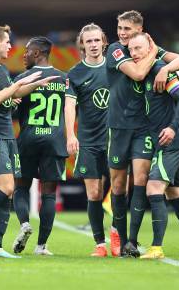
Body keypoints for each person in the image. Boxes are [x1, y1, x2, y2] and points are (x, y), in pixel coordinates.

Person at [105, 10, 179, 257]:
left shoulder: (145, 47)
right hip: (119, 126)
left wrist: (164, 70)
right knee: (118, 185)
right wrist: (155, 54)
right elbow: (139, 74)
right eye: (119, 28)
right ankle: (119, 239)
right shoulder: (116, 50)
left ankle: (131, 241)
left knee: (140, 180)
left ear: (139, 30)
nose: (122, 33)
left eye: (127, 29)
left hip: (143, 127)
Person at [0, 25, 54, 258]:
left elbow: (12, 95)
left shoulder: (2, 70)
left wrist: (36, 85)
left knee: (8, 190)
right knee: (5, 187)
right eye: (7, 42)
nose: (10, 46)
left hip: (7, 133)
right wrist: (15, 86)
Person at [127, 33, 179, 259]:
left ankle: (156, 247)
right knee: (175, 194)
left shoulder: (160, 69)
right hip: (159, 141)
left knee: (153, 189)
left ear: (149, 47)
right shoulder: (141, 73)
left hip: (169, 142)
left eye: (138, 48)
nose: (134, 54)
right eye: (131, 50)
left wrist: (173, 128)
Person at [11, 36, 67, 256]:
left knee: (21, 187)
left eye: (26, 52)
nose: (23, 55)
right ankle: (41, 246)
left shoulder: (24, 78)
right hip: (54, 140)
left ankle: (25, 223)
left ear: (37, 53)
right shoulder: (64, 79)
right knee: (49, 195)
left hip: (28, 139)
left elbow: (12, 108)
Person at [65, 23, 112, 257]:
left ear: (104, 41)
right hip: (89, 142)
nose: (93, 45)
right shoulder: (75, 74)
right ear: (82, 45)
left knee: (121, 190)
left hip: (116, 140)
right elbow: (70, 105)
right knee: (94, 193)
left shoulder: (116, 65)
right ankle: (100, 244)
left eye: (96, 40)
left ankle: (119, 235)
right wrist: (71, 135)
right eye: (88, 41)